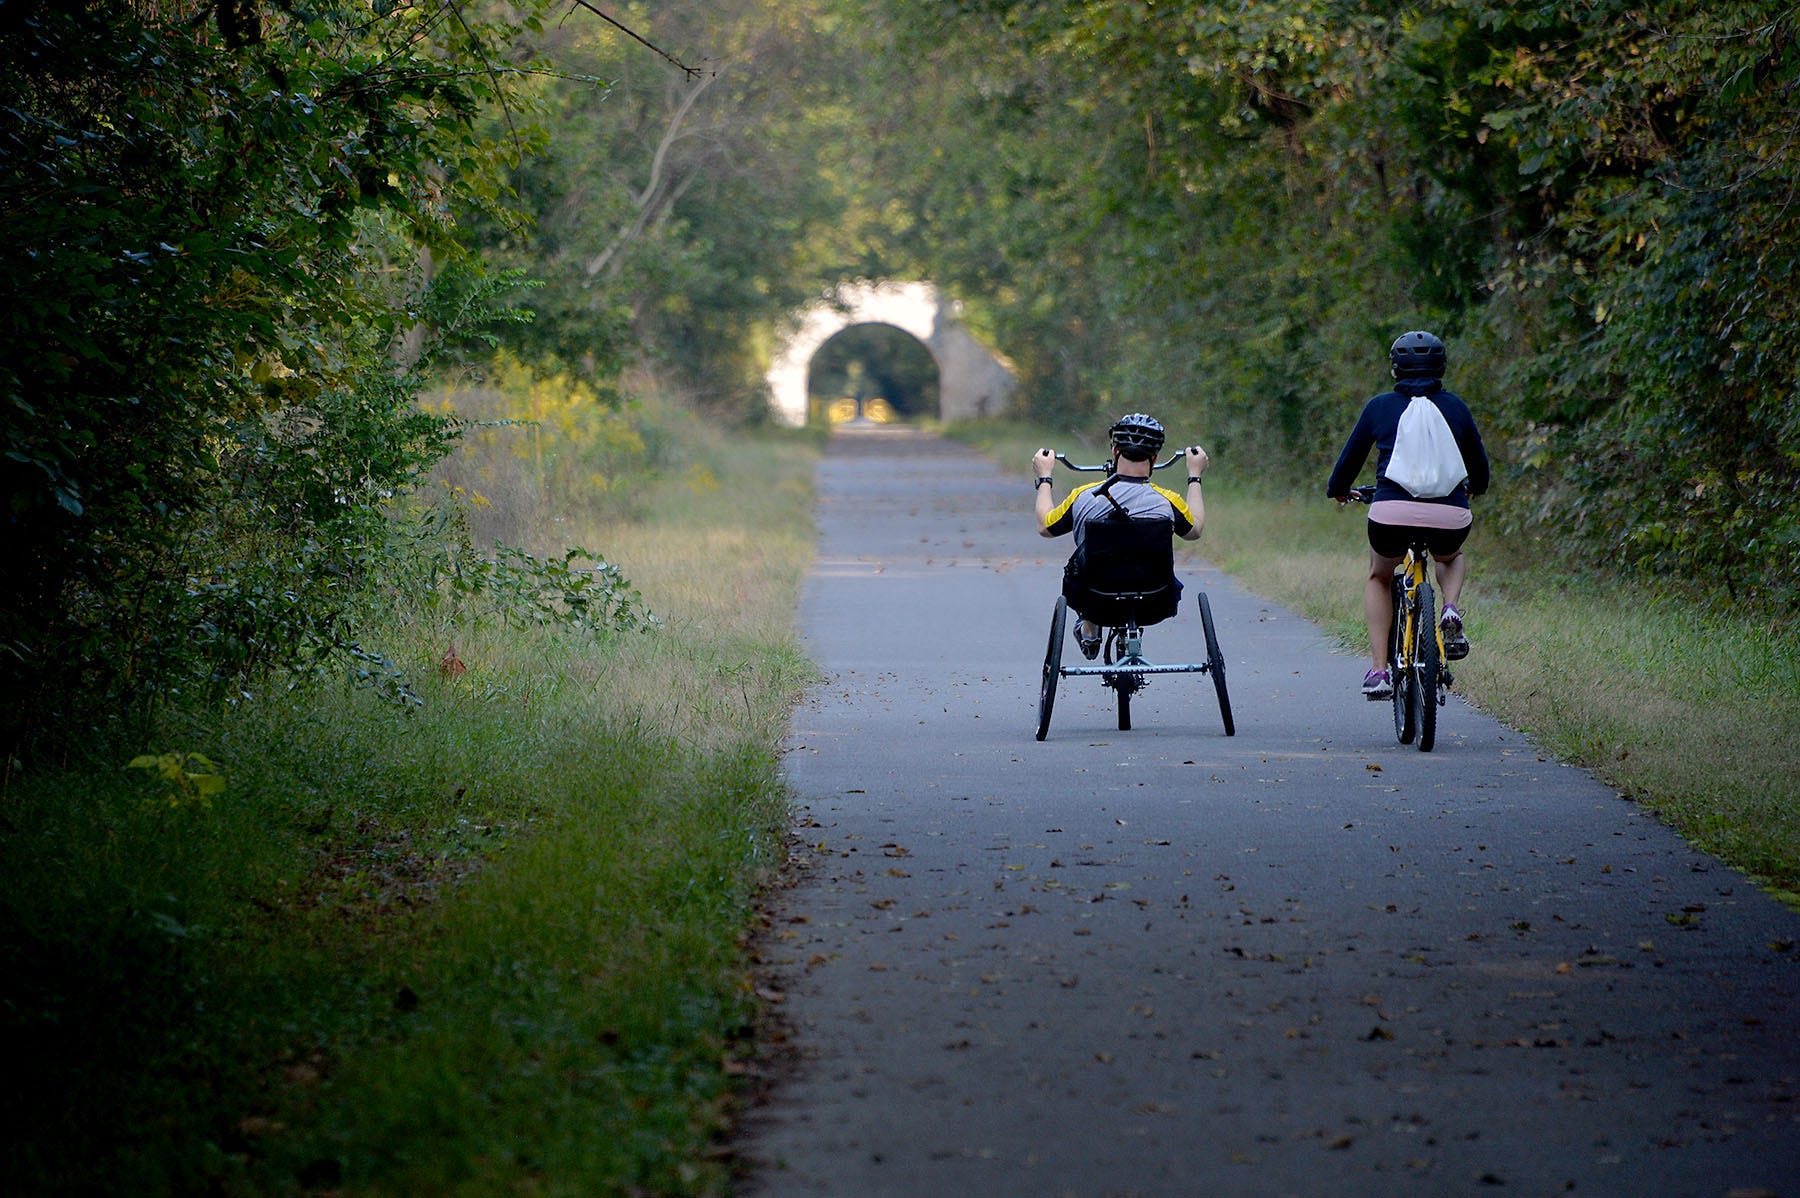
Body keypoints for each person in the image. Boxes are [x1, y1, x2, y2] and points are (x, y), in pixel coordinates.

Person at [1326, 330, 1490, 698]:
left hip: (1390, 514)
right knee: (1450, 556)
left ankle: (1380, 670)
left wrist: (1338, 490)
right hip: (1449, 515)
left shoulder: (1379, 407)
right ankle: (1449, 608)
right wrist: (1475, 487)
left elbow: (1349, 460)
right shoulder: (1456, 407)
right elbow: (1479, 464)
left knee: (1379, 576)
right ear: (1441, 367)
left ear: (1395, 368)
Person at [1034, 414, 1209, 659]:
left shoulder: (1085, 496)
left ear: (1115, 451)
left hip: (1095, 599)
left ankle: (1089, 627)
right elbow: (1195, 530)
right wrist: (1194, 475)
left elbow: (1045, 526)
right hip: (1155, 600)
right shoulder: (1167, 501)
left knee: (1081, 561)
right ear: (1155, 458)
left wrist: (1044, 478)